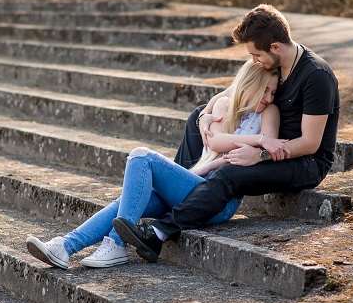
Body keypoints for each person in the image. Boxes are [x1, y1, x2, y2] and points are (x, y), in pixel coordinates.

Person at [113, 4, 340, 263]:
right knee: (195, 119)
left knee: (230, 171)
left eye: (255, 54)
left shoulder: (316, 76)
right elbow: (230, 94)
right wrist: (204, 117)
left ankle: (158, 232)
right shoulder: (273, 65)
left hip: (305, 162)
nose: (253, 60)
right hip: (269, 144)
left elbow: (311, 144)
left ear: (275, 47)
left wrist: (260, 154)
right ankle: (180, 188)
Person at [26, 60, 279, 269]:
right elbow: (217, 143)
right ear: (249, 85)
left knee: (142, 156)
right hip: (197, 184)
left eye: (273, 92)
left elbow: (262, 145)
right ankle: (65, 246)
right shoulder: (226, 106)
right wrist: (208, 119)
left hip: (220, 201)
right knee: (128, 199)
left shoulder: (269, 113)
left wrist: (261, 141)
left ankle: (115, 244)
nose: (269, 97)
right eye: (265, 90)